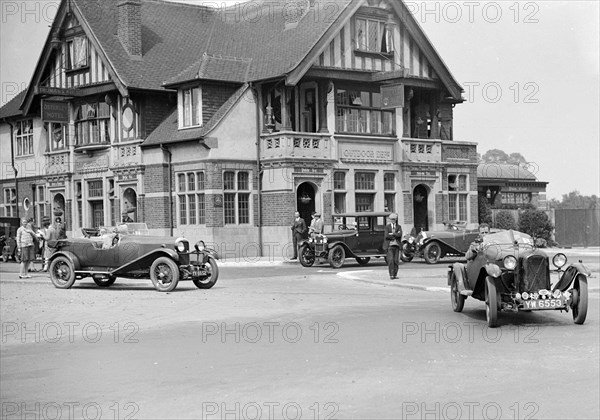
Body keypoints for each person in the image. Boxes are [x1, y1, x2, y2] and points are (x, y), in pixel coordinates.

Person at [383, 213, 403, 279]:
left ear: (396, 219)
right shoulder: (387, 227)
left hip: (397, 246)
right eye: (391, 219)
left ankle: (395, 274)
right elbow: (386, 236)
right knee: (391, 260)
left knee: (396, 260)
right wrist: (394, 236)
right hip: (390, 246)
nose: (393, 220)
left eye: (394, 219)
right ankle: (391, 274)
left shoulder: (399, 227)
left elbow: (400, 234)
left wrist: (393, 234)